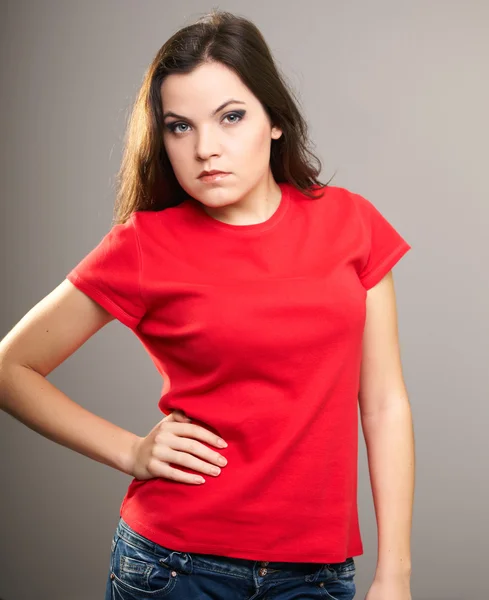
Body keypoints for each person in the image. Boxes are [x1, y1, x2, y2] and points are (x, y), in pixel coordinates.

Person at [0, 9, 415, 600]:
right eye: (180, 127)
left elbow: (383, 404)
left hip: (316, 576)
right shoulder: (144, 245)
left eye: (231, 117)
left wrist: (394, 572)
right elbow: (8, 368)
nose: (205, 149)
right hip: (174, 568)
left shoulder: (353, 225)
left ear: (275, 121)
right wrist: (131, 451)